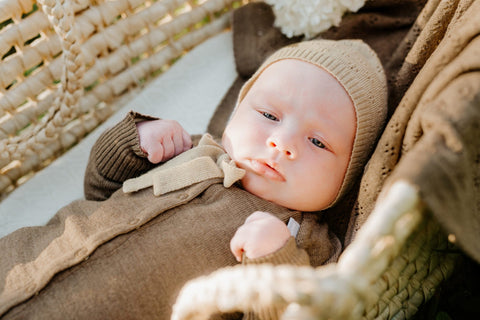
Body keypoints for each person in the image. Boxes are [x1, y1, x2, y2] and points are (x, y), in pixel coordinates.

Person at [0, 39, 387, 320]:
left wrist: (273, 261)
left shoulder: (309, 245)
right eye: (269, 115)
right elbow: (100, 192)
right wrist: (133, 142)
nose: (281, 143)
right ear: (237, 112)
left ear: (349, 173)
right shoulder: (192, 149)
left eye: (318, 141)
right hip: (17, 261)